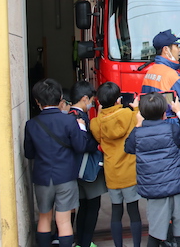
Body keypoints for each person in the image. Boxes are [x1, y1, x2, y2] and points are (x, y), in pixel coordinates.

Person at [125, 92, 180, 247]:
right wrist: (179, 111)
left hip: (154, 191)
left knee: (155, 233)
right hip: (178, 188)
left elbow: (128, 147)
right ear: (164, 113)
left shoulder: (137, 135)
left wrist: (138, 123)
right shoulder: (172, 130)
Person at [24, 79, 89, 247]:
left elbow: (29, 153)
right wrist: (81, 128)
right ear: (60, 98)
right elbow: (80, 146)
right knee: (64, 221)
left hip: (42, 177)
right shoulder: (68, 121)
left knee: (44, 218)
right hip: (66, 176)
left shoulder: (31, 125)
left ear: (37, 101)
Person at [90, 82, 142, 247]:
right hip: (130, 171)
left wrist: (100, 114)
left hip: (112, 173)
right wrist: (136, 108)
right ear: (119, 100)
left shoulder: (96, 123)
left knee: (116, 212)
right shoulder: (128, 114)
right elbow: (139, 125)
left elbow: (99, 138)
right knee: (134, 212)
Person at [68, 81, 107, 247]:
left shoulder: (67, 115)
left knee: (83, 206)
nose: (92, 104)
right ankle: (85, 242)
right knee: (92, 206)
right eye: (91, 100)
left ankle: (81, 242)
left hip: (75, 169)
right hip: (87, 169)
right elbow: (84, 144)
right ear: (84, 99)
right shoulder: (79, 118)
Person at [141, 29, 180, 113]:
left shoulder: (151, 71)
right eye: (176, 46)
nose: (179, 50)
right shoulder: (171, 75)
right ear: (166, 49)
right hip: (169, 122)